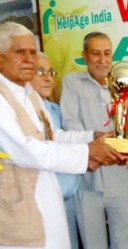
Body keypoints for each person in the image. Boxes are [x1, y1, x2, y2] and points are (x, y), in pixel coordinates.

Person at [0, 21, 125, 249]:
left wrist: (93, 137)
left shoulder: (30, 94)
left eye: (32, 52)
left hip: (50, 199)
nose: (30, 59)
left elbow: (54, 135)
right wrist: (88, 152)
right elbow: (27, 151)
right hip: (18, 206)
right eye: (20, 52)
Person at [60, 31, 128, 249]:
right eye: (96, 54)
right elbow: (70, 124)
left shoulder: (122, 82)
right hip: (88, 179)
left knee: (127, 243)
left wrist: (117, 149)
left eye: (107, 53)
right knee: (92, 243)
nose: (103, 59)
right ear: (84, 56)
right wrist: (98, 147)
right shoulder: (72, 82)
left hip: (122, 177)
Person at [31, 52, 80, 249]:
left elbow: (64, 140)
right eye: (40, 71)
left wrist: (94, 140)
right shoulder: (23, 112)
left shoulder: (57, 110)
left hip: (69, 200)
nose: (48, 77)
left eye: (50, 72)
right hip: (42, 202)